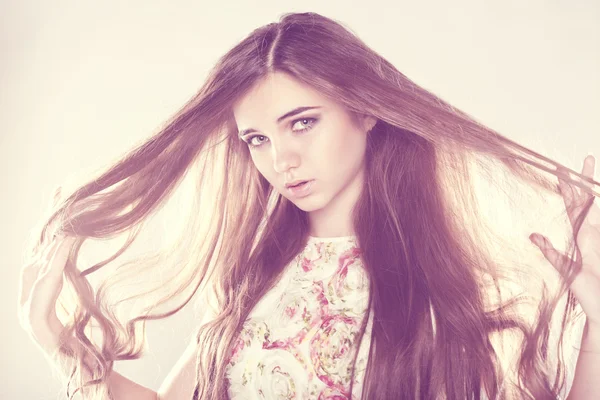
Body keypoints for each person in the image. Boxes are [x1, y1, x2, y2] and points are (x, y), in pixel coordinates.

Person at [17, 11, 600, 400]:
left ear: (366, 110)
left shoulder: (453, 281)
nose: (281, 160)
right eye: (258, 140)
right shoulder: (252, 276)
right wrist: (54, 339)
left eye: (302, 123)